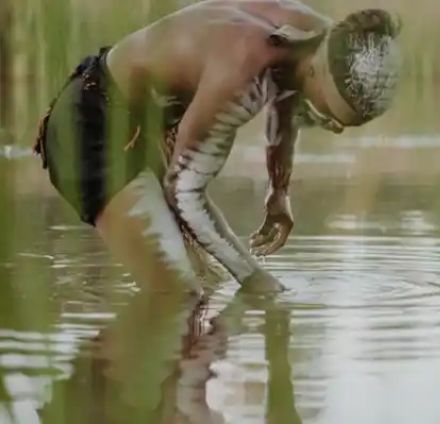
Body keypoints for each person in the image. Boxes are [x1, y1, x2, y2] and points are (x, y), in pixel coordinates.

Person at [33, 1, 402, 292]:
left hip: (142, 120)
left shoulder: (311, 33)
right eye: (328, 117)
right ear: (314, 73)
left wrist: (279, 191)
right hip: (93, 128)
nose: (332, 130)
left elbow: (286, 98)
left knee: (204, 283)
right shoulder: (242, 72)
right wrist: (255, 278)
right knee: (177, 296)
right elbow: (185, 193)